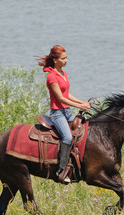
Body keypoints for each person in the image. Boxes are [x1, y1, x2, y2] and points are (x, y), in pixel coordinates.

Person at [37, 45, 91, 183]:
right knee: (67, 137)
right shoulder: (51, 77)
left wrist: (82, 102)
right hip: (58, 114)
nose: (66, 60)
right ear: (55, 60)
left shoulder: (63, 73)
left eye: (66, 57)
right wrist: (80, 106)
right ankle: (61, 171)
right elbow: (60, 98)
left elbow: (67, 94)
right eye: (63, 58)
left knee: (82, 131)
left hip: (67, 112)